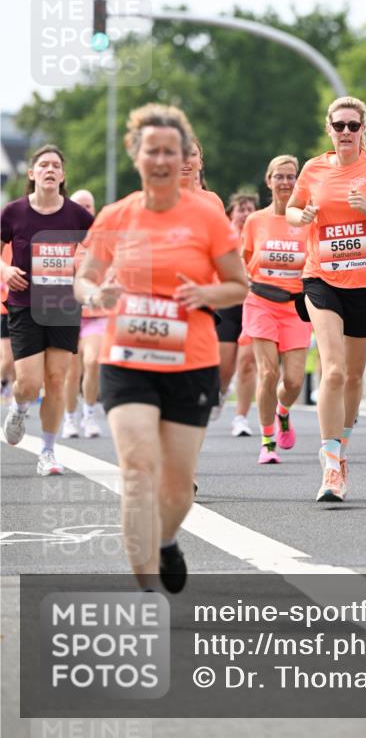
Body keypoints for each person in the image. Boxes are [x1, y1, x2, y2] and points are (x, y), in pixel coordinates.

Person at [74, 103, 247, 591]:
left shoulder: (208, 216)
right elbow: (83, 278)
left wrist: (206, 295)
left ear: (183, 156)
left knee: (175, 486)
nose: (162, 159)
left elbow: (240, 284)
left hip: (190, 359)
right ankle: (147, 592)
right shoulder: (116, 214)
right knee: (136, 469)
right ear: (137, 155)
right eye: (153, 150)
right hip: (126, 355)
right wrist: (95, 294)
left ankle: (167, 539)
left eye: (171, 150)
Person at [286, 96, 366, 502]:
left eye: (353, 126)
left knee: (355, 377)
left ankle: (342, 449)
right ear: (328, 128)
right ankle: (330, 463)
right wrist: (300, 217)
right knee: (333, 370)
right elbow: (292, 208)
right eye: (338, 125)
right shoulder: (313, 168)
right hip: (321, 278)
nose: (345, 133)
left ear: (363, 130)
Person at [1, 145, 94, 475]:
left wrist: (85, 275)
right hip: (25, 305)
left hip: (63, 305)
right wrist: (5, 270)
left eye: (56, 165)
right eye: (43, 165)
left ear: (63, 175)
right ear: (32, 174)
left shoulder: (76, 214)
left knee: (57, 381)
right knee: (28, 383)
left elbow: (99, 248)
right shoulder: (13, 212)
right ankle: (19, 406)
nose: (50, 169)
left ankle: (48, 453)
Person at [241, 155, 312, 463]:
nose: (285, 182)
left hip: (295, 306)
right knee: (268, 373)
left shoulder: (307, 222)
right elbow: (245, 258)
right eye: (279, 176)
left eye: (290, 176)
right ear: (268, 181)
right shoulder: (255, 221)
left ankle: (283, 411)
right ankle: (267, 440)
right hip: (261, 302)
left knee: (294, 381)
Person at [63, 189, 106, 439]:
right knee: (71, 368)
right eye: (79, 205)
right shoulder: (60, 237)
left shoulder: (101, 240)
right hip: (67, 314)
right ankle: (70, 418)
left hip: (96, 313)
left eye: (88, 206)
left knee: (93, 361)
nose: (84, 210)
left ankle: (89, 413)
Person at [218, 191, 259, 436]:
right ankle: (222, 391)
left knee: (246, 362)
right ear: (231, 214)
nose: (245, 214)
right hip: (227, 303)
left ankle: (241, 417)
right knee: (224, 365)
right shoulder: (223, 235)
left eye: (250, 209)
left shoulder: (262, 232)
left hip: (255, 303)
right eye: (241, 209)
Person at [1, 244, 15, 408]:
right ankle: (3, 382)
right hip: (4, 310)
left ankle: (14, 395)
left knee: (19, 357)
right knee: (7, 357)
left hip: (23, 308)